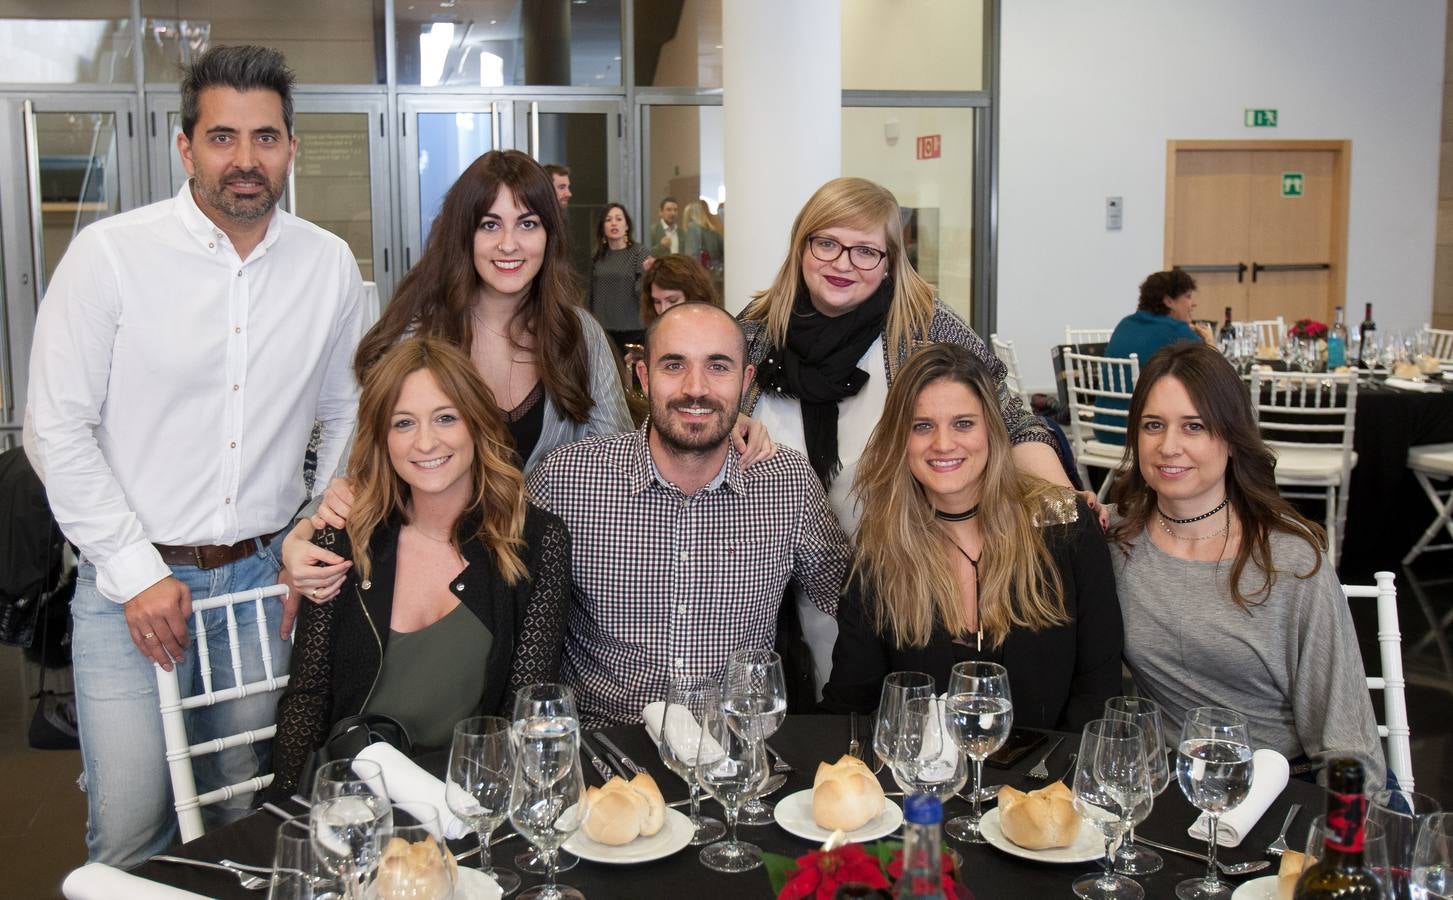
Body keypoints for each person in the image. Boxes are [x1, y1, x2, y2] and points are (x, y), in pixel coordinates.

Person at [25, 45, 363, 866]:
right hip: (129, 593)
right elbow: (55, 428)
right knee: (133, 824)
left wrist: (313, 531)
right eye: (222, 137)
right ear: (186, 148)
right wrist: (137, 571)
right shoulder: (111, 256)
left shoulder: (327, 265)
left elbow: (346, 410)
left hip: (258, 584)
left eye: (266, 137)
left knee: (236, 807)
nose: (245, 160)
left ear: (290, 146)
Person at [739, 176, 1070, 689]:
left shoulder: (925, 328)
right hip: (771, 602)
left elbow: (1011, 420)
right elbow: (694, 420)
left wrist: (1063, 501)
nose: (843, 263)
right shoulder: (754, 333)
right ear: (801, 246)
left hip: (898, 590)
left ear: (892, 260)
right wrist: (728, 425)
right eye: (826, 243)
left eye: (866, 251)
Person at [527, 303, 852, 725]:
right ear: (643, 377)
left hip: (736, 748)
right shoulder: (567, 479)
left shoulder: (786, 482)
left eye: (718, 367)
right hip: (605, 747)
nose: (695, 388)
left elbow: (848, 600)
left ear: (745, 381)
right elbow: (507, 610)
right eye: (674, 365)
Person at [271, 339, 570, 792]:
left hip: (468, 800)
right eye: (403, 423)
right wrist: (285, 814)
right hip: (352, 801)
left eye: (445, 418)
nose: (425, 442)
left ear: (476, 423)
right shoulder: (345, 537)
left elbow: (523, 712)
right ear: (382, 437)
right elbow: (308, 698)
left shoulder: (535, 543)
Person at [1106, 342, 1384, 770]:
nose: (1168, 446)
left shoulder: (1289, 562)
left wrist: (1340, 831)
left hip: (1282, 787)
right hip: (1167, 790)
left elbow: (1346, 741)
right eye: (1153, 425)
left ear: (1232, 439)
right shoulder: (1115, 541)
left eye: (1194, 426)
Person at [822, 344, 1123, 729]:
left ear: (993, 431)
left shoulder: (1066, 526)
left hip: (1051, 780)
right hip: (926, 784)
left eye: (963, 423)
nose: (943, 444)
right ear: (901, 440)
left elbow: (1098, 695)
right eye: (922, 426)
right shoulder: (880, 553)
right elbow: (853, 702)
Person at [1094, 269, 1216, 445]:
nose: (1193, 303)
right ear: (1169, 301)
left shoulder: (1125, 323)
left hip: (1104, 428)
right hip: (1141, 434)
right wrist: (1210, 343)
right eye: (1188, 296)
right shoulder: (1177, 331)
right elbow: (1215, 377)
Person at [589, 201, 655, 349]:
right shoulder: (598, 256)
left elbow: (643, 292)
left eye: (619, 219)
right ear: (602, 227)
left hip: (633, 329)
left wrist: (648, 273)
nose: (614, 223)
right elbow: (591, 295)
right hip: (602, 331)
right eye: (608, 220)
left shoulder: (639, 253)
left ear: (626, 226)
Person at [681, 198, 724, 280]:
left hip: (699, 277)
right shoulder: (713, 231)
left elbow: (691, 257)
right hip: (715, 276)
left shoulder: (692, 228)